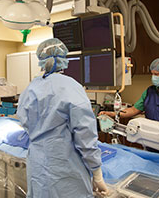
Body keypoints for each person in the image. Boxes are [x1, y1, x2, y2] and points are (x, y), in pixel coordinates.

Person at [16, 38, 108, 198]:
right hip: (64, 169)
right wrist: (97, 173)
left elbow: (24, 122)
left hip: (37, 166)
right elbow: (85, 136)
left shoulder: (31, 87)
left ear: (41, 61)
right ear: (63, 60)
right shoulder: (70, 86)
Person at [99, 58, 159, 155]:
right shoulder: (149, 92)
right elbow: (134, 110)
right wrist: (113, 114)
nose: (153, 77)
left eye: (156, 74)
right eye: (152, 74)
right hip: (151, 142)